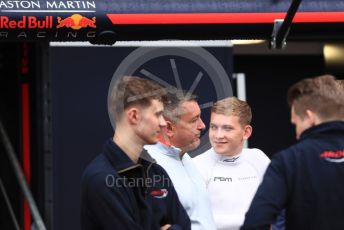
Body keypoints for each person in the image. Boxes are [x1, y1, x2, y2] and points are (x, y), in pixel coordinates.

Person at [80, 76, 191, 230]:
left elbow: (185, 225)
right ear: (133, 116)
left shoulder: (157, 172)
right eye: (157, 114)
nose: (163, 122)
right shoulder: (101, 179)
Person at [241, 75, 344, 230]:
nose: (297, 134)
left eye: (296, 124)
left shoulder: (289, 160)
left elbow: (255, 223)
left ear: (310, 117)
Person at [193, 97, 271, 230]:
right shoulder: (196, 165)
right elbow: (193, 220)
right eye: (214, 127)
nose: (218, 135)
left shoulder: (259, 158)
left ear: (246, 132)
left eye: (227, 128)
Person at [144, 89, 217, 230]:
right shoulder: (149, 166)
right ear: (169, 127)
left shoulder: (185, 156)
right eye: (194, 120)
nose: (202, 125)